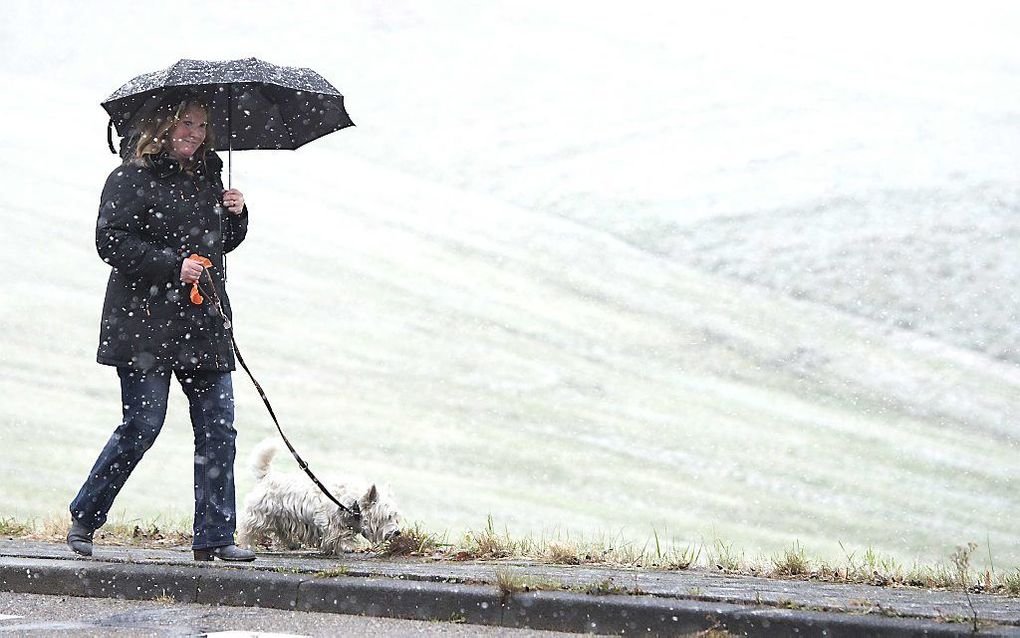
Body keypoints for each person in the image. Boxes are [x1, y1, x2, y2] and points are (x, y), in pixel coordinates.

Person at [67, 93, 255, 561]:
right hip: (144, 324)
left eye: (201, 126)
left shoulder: (210, 179)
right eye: (185, 124)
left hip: (202, 321)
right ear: (163, 127)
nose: (194, 133)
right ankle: (85, 517)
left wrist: (236, 214)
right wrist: (173, 266)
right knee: (143, 425)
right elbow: (109, 241)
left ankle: (215, 538)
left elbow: (220, 243)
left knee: (219, 428)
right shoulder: (130, 177)